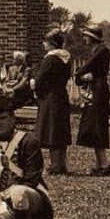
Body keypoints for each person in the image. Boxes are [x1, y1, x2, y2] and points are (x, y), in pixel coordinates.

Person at [32, 29, 72, 175]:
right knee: (60, 129)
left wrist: (35, 87)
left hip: (50, 97)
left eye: (45, 42)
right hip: (62, 95)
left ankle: (55, 165)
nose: (43, 44)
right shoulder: (67, 58)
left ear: (51, 43)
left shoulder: (50, 59)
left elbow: (40, 78)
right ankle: (61, 163)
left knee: (52, 130)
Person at [74, 27, 110, 175]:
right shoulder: (99, 50)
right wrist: (83, 76)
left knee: (97, 126)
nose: (84, 38)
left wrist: (79, 75)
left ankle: (104, 164)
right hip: (97, 89)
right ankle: (100, 163)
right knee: (94, 126)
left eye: (86, 36)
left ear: (92, 37)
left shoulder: (101, 51)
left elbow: (84, 68)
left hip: (99, 91)